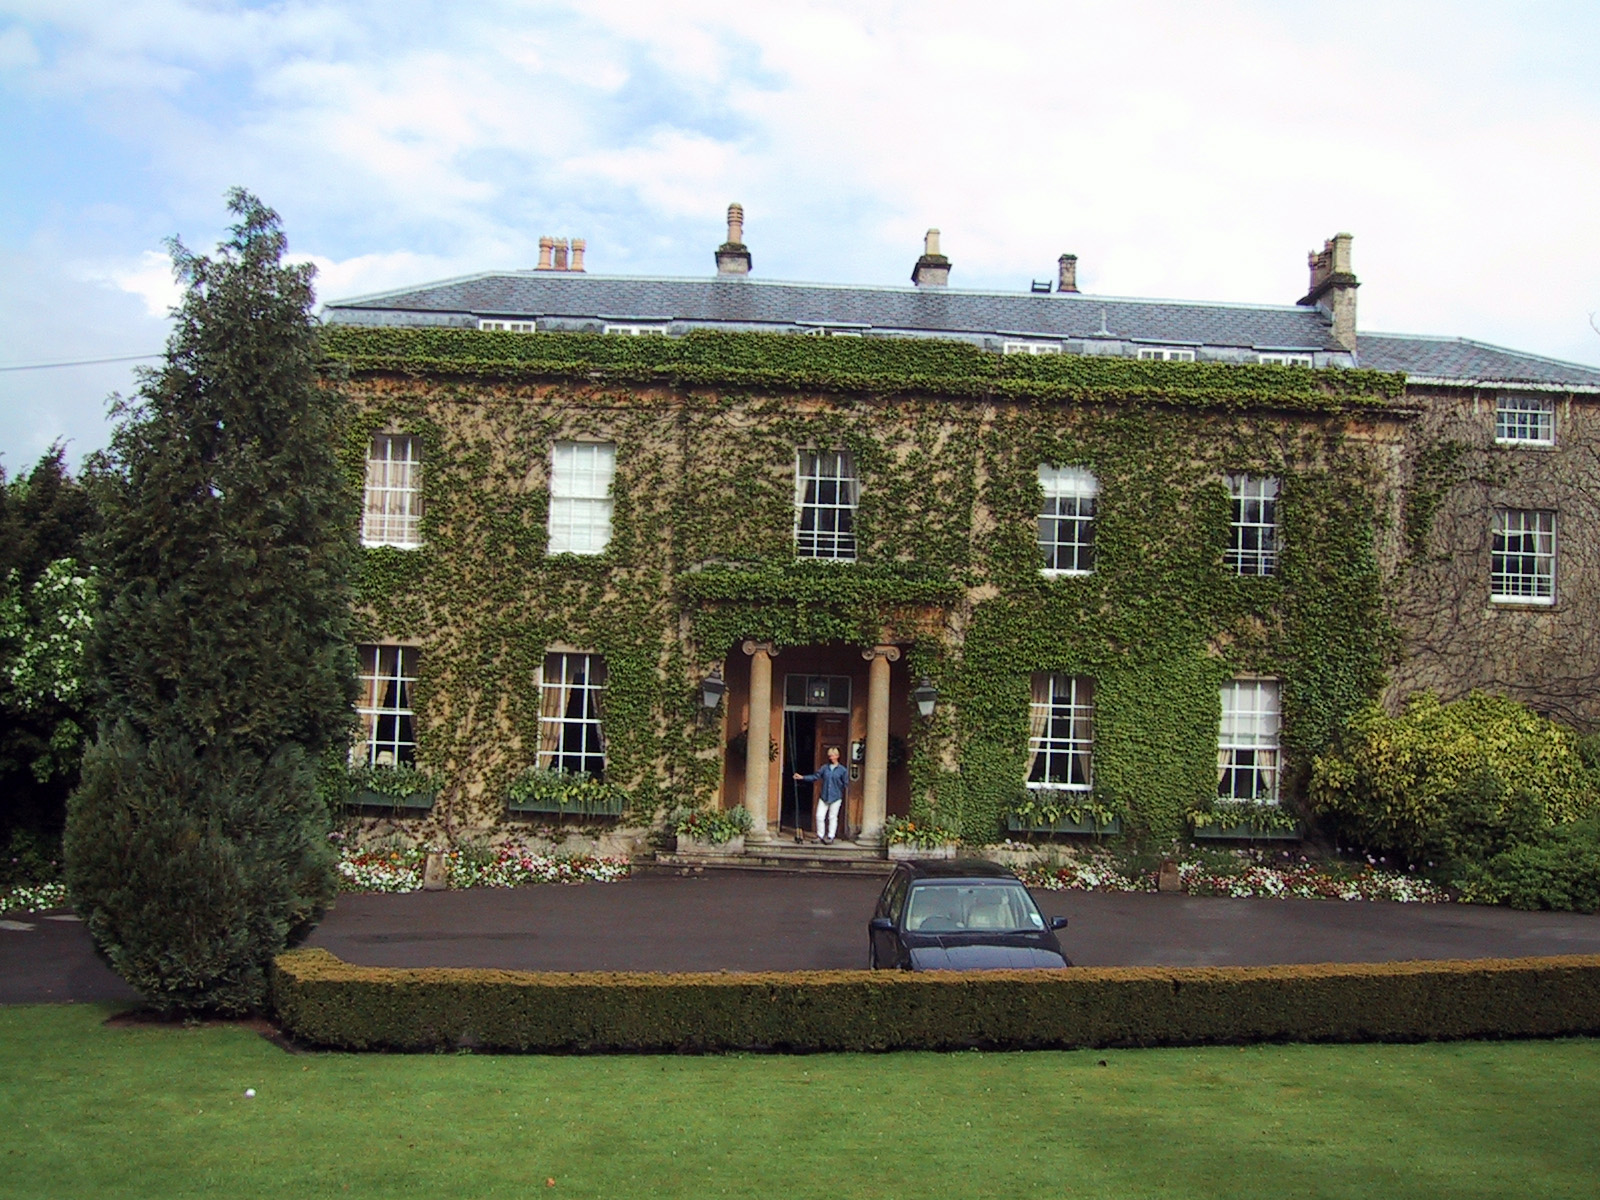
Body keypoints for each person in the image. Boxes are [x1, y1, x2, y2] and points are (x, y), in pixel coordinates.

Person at [794, 745, 850, 844]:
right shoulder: (825, 768)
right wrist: (802, 777)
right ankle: (820, 835)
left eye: (832, 756)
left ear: (837, 756)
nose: (830, 757)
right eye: (829, 756)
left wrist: (840, 789)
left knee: (832, 817)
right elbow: (815, 777)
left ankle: (830, 836)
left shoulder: (842, 770)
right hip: (824, 796)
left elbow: (846, 783)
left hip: (836, 797)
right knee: (819, 816)